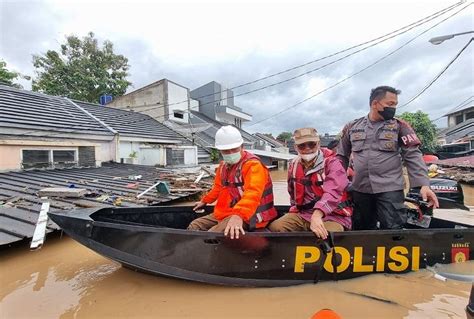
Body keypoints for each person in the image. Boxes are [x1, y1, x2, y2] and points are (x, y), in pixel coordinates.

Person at [337, 85, 439, 230]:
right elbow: (341, 156)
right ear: (374, 104)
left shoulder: (400, 126)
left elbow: (413, 155)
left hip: (390, 189)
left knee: (393, 230)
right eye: (390, 104)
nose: (393, 108)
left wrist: (424, 184)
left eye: (395, 104)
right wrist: (338, 182)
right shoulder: (352, 127)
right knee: (360, 229)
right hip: (360, 189)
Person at [187, 125, 277, 239]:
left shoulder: (253, 165)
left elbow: (253, 193)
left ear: (242, 146)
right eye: (226, 151)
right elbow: (218, 188)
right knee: (195, 226)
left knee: (213, 235)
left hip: (251, 215)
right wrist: (205, 201)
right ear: (220, 151)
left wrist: (238, 215)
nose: (230, 153)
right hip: (228, 212)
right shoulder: (223, 166)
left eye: (234, 149)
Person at [269, 128, 352, 239]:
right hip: (305, 214)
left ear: (318, 144)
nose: (307, 149)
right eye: (302, 146)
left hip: (333, 215)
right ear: (295, 147)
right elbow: (292, 193)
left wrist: (317, 215)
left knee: (325, 234)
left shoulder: (333, 163)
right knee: (276, 227)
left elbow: (333, 192)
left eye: (311, 144)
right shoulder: (293, 165)